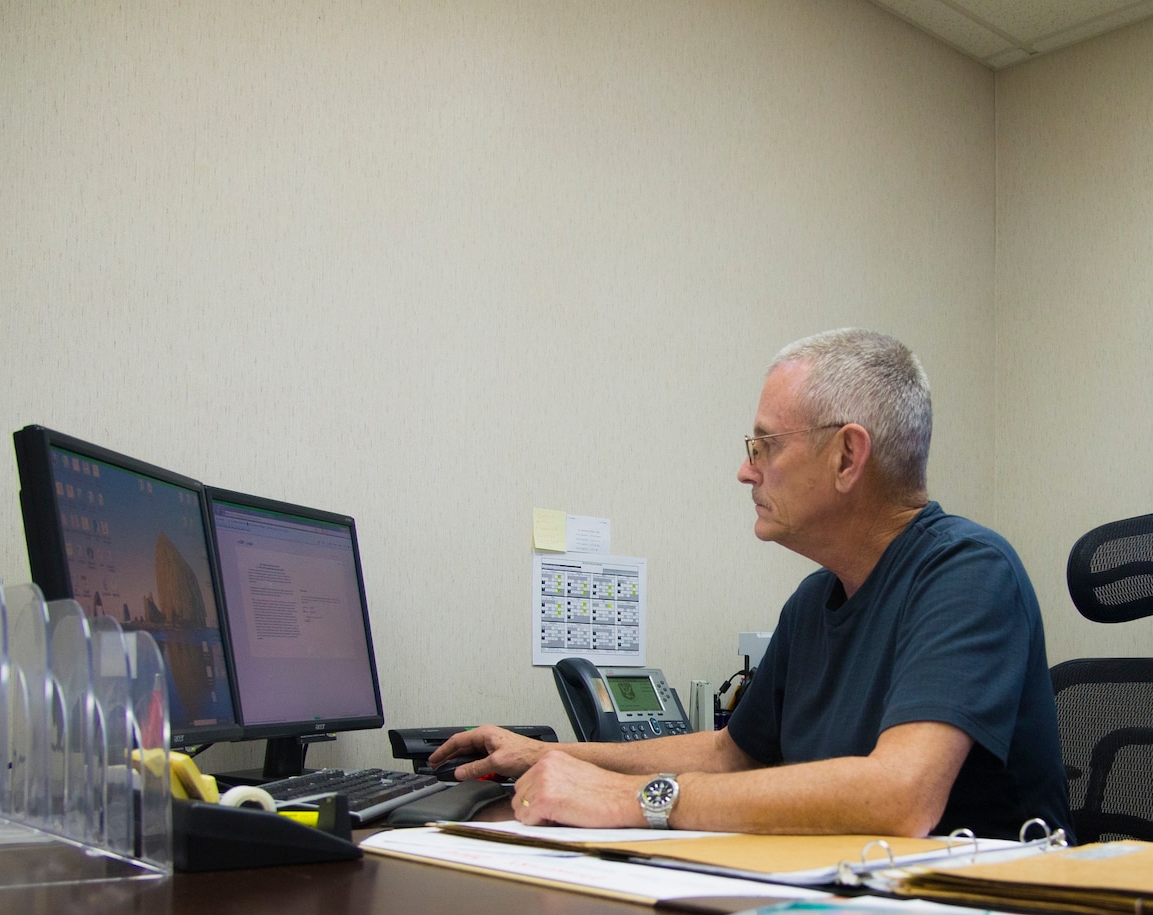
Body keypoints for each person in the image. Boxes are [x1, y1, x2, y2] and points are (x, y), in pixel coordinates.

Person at [430, 328, 1068, 838]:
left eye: (765, 446)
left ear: (848, 456)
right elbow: (730, 754)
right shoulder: (814, 601)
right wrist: (547, 757)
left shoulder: (969, 573)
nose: (745, 470)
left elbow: (900, 797)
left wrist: (633, 799)